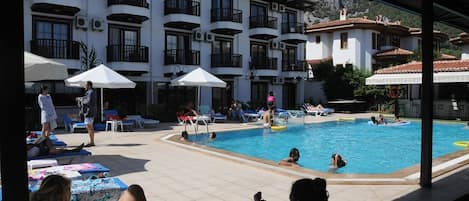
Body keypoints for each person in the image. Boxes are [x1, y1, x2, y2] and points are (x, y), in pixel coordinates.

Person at [77, 81, 97, 147]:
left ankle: (92, 142)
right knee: (89, 127)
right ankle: (92, 141)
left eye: (85, 85)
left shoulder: (91, 92)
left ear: (89, 86)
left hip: (89, 112)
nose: (84, 86)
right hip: (90, 112)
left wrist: (81, 100)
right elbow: (87, 100)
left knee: (89, 127)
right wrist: (82, 99)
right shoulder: (90, 92)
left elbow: (88, 101)